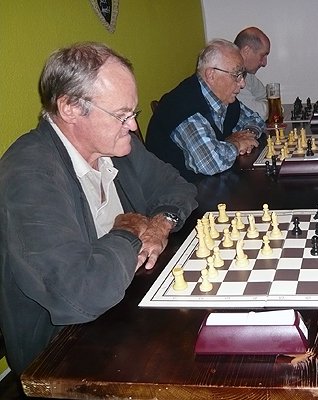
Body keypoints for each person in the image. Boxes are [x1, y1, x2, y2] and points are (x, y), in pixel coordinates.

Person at [0, 42, 198, 376]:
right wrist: (128, 230)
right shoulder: (29, 174)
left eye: (133, 114)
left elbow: (178, 187)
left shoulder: (115, 147)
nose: (132, 126)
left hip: (126, 308)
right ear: (70, 108)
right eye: (122, 115)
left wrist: (160, 223)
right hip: (63, 353)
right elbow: (79, 295)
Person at [146, 39, 265, 179]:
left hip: (213, 182)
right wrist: (236, 144)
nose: (243, 83)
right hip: (175, 188)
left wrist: (247, 134)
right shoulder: (183, 106)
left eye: (242, 75)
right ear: (211, 74)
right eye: (236, 75)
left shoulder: (224, 97)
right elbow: (210, 163)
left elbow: (255, 119)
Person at [234, 27, 270, 120]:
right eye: (262, 55)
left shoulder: (247, 74)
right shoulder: (232, 76)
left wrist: (269, 106)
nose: (264, 63)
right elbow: (258, 114)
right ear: (246, 51)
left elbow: (266, 96)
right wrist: (274, 106)